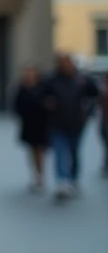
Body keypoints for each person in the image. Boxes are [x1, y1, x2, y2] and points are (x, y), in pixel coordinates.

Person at [40, 53, 100, 199]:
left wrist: (89, 82)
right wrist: (47, 103)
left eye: (67, 63)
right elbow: (41, 96)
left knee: (74, 152)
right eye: (62, 63)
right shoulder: (51, 80)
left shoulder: (80, 79)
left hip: (76, 124)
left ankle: (73, 179)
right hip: (57, 124)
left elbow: (94, 93)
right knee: (60, 152)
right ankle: (62, 181)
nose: (65, 66)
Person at [12, 63, 49, 192]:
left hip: (41, 123)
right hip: (28, 124)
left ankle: (40, 175)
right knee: (32, 151)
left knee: (40, 150)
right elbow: (16, 105)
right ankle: (36, 175)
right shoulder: (22, 88)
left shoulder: (42, 87)